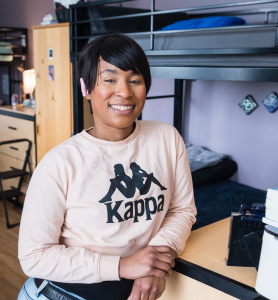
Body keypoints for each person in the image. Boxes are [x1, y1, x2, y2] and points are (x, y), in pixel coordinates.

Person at [17, 33, 196, 300]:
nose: (124, 92)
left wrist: (156, 261)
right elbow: (34, 257)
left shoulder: (167, 138)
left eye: (134, 80)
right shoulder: (60, 164)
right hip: (63, 294)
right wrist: (123, 265)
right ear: (85, 88)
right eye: (109, 79)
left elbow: (182, 209)